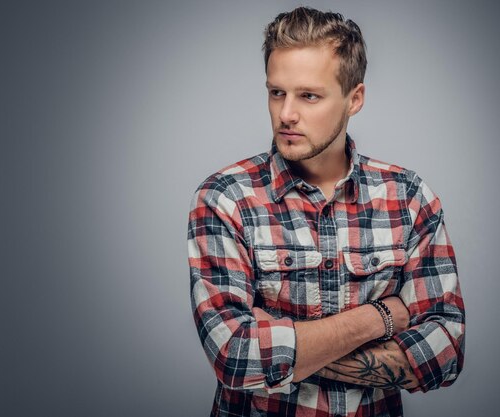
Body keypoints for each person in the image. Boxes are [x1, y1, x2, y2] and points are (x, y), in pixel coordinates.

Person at [187, 6, 465, 417]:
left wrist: (284, 344)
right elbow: (234, 355)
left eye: (309, 96)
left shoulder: (408, 197)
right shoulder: (225, 199)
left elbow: (447, 351)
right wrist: (381, 317)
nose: (286, 114)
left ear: (355, 99)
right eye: (276, 92)